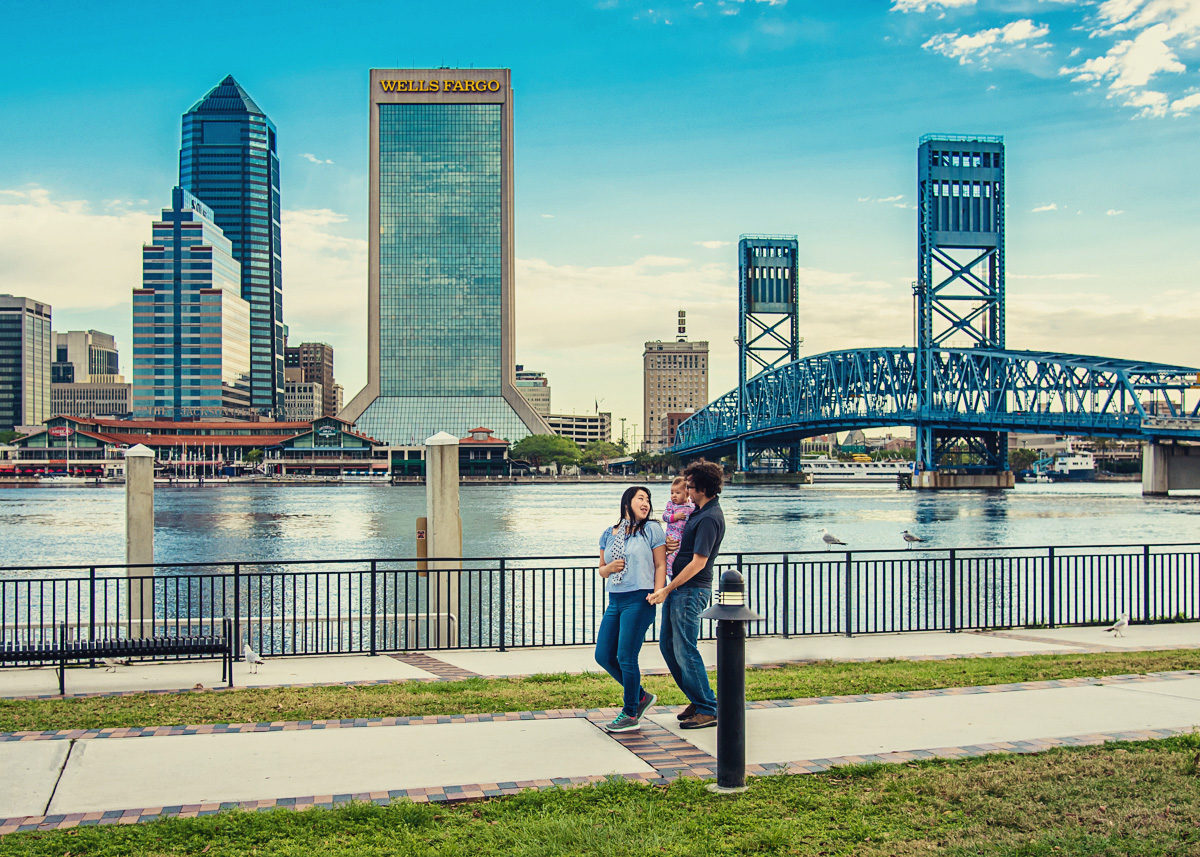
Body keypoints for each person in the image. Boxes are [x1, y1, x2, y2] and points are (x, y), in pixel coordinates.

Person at [648, 459, 725, 729]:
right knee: (668, 646)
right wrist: (671, 546)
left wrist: (667, 588)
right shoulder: (697, 513)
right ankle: (698, 697)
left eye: (691, 487)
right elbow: (683, 544)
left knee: (685, 649)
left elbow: (699, 562)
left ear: (703, 488)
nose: (688, 492)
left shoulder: (709, 518)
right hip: (679, 589)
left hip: (690, 591)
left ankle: (708, 707)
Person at [595, 485, 667, 733]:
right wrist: (610, 568)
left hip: (639, 599)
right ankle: (640, 697)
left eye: (648, 499)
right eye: (640, 498)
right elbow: (602, 569)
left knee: (626, 656)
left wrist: (659, 592)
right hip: (615, 599)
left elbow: (660, 564)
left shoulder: (652, 529)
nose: (646, 503)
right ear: (627, 502)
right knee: (603, 655)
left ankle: (630, 712)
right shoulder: (609, 532)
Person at [661, 476, 695, 578]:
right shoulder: (671, 505)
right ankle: (669, 572)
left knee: (679, 553)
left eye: (678, 493)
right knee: (672, 554)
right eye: (672, 493)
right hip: (673, 534)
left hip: (682, 536)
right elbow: (665, 516)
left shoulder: (691, 506)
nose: (674, 496)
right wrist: (675, 517)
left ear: (687, 493)